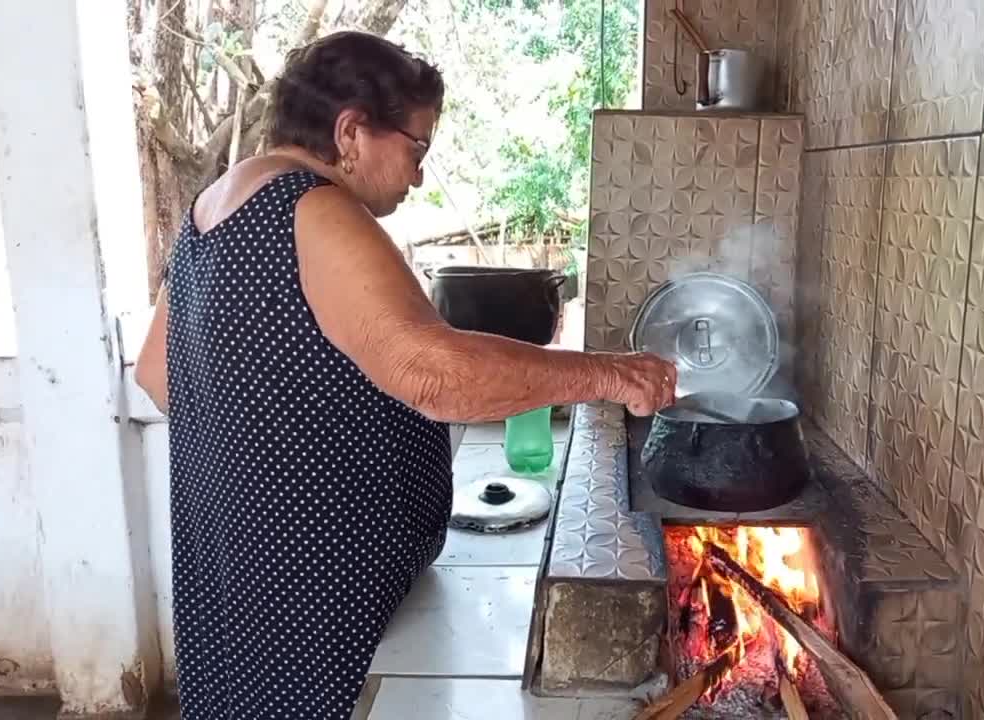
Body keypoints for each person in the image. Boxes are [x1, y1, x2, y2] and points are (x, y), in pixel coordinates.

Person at [133, 30, 677, 719]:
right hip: (317, 595)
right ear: (352, 130)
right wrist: (608, 375)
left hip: (244, 581)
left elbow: (157, 375)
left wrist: (283, 438)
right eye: (416, 148)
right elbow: (431, 373)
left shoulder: (212, 207)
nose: (418, 175)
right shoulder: (314, 206)